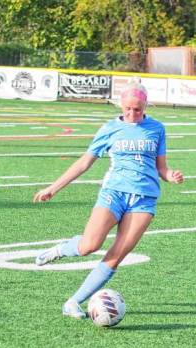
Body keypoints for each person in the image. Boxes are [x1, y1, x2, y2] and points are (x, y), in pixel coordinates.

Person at [32, 81, 184, 319]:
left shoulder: (157, 128)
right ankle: (63, 248)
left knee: (116, 255)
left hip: (144, 200)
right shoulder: (109, 128)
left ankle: (73, 302)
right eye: (128, 109)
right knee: (89, 246)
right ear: (121, 106)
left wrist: (171, 175)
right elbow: (84, 162)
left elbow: (161, 168)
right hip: (114, 192)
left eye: (138, 109)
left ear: (145, 106)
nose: (133, 114)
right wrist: (54, 188)